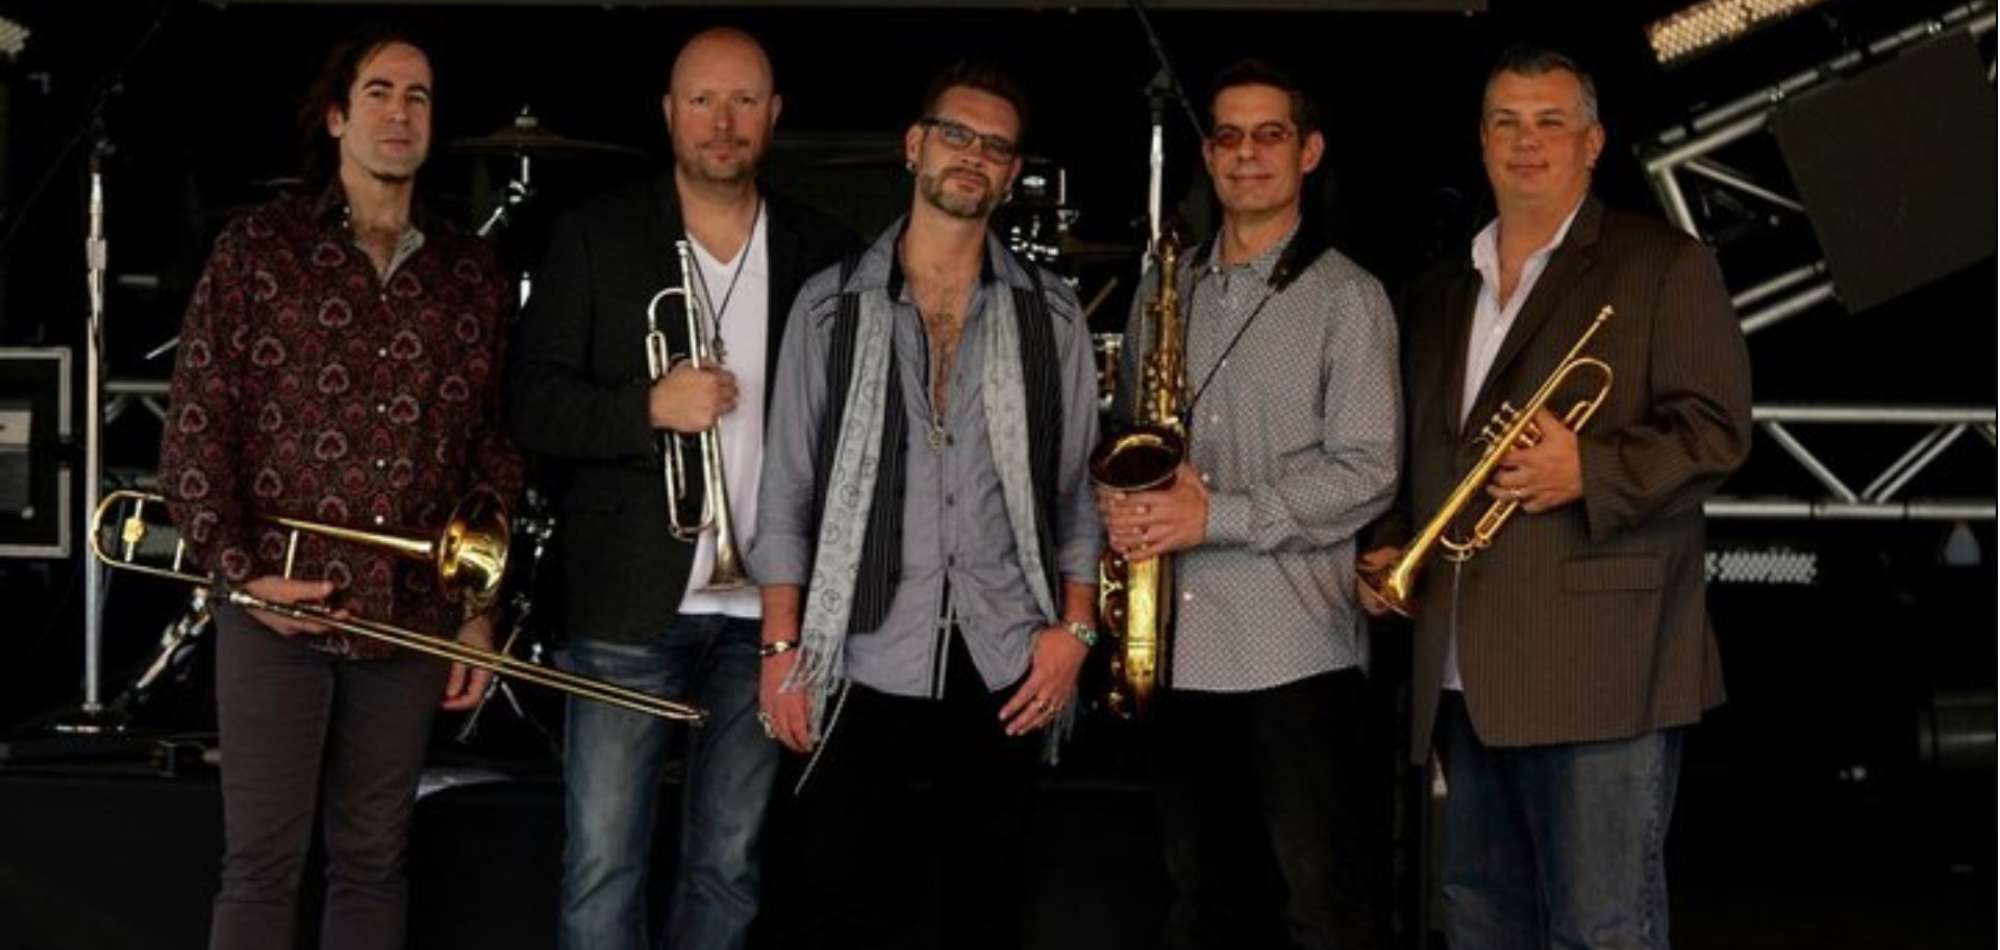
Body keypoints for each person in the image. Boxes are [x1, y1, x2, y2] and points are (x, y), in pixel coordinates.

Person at [1358, 45, 1752, 950]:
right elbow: (1426, 455)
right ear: (1482, 140)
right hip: (1463, 669)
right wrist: (1394, 541)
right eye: (1506, 122)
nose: (1525, 142)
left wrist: (1591, 470)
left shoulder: (1663, 265)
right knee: (1479, 924)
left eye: (1550, 122)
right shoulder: (1439, 291)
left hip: (1602, 667)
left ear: (1593, 142)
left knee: (1601, 929)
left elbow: (1719, 431)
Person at [159, 23, 521, 950]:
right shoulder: (258, 249)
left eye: (418, 96)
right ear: (334, 117)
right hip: (272, 610)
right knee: (259, 867)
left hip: (410, 616)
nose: (400, 113)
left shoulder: (472, 273)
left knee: (372, 863)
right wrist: (241, 575)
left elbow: (491, 457)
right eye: (378, 93)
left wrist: (477, 613)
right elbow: (196, 427)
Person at [506, 26, 858, 950]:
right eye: (702, 100)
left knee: (729, 869)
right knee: (602, 866)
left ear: (774, 115)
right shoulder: (596, 236)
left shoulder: (826, 253)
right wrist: (648, 407)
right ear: (669, 114)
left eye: (743, 101)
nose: (722, 122)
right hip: (626, 606)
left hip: (766, 616)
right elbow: (532, 406)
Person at [747, 61, 1101, 950]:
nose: (972, 156)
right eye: (956, 135)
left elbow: (1077, 492)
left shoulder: (1052, 316)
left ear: (1010, 174)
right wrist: (781, 648)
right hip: (860, 646)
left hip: (1006, 652)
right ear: (914, 146)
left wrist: (1075, 632)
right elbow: (787, 488)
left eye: (995, 147)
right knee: (836, 900)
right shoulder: (831, 307)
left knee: (987, 902)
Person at [1096, 59, 1400, 950]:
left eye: (1270, 135)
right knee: (1203, 906)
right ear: (1207, 155)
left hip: (1294, 654)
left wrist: (1214, 516)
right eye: (1228, 136)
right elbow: (1132, 441)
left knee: (1323, 913)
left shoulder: (1349, 298)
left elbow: (1370, 471)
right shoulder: (1165, 288)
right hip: (1176, 648)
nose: (1247, 153)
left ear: (1310, 152)